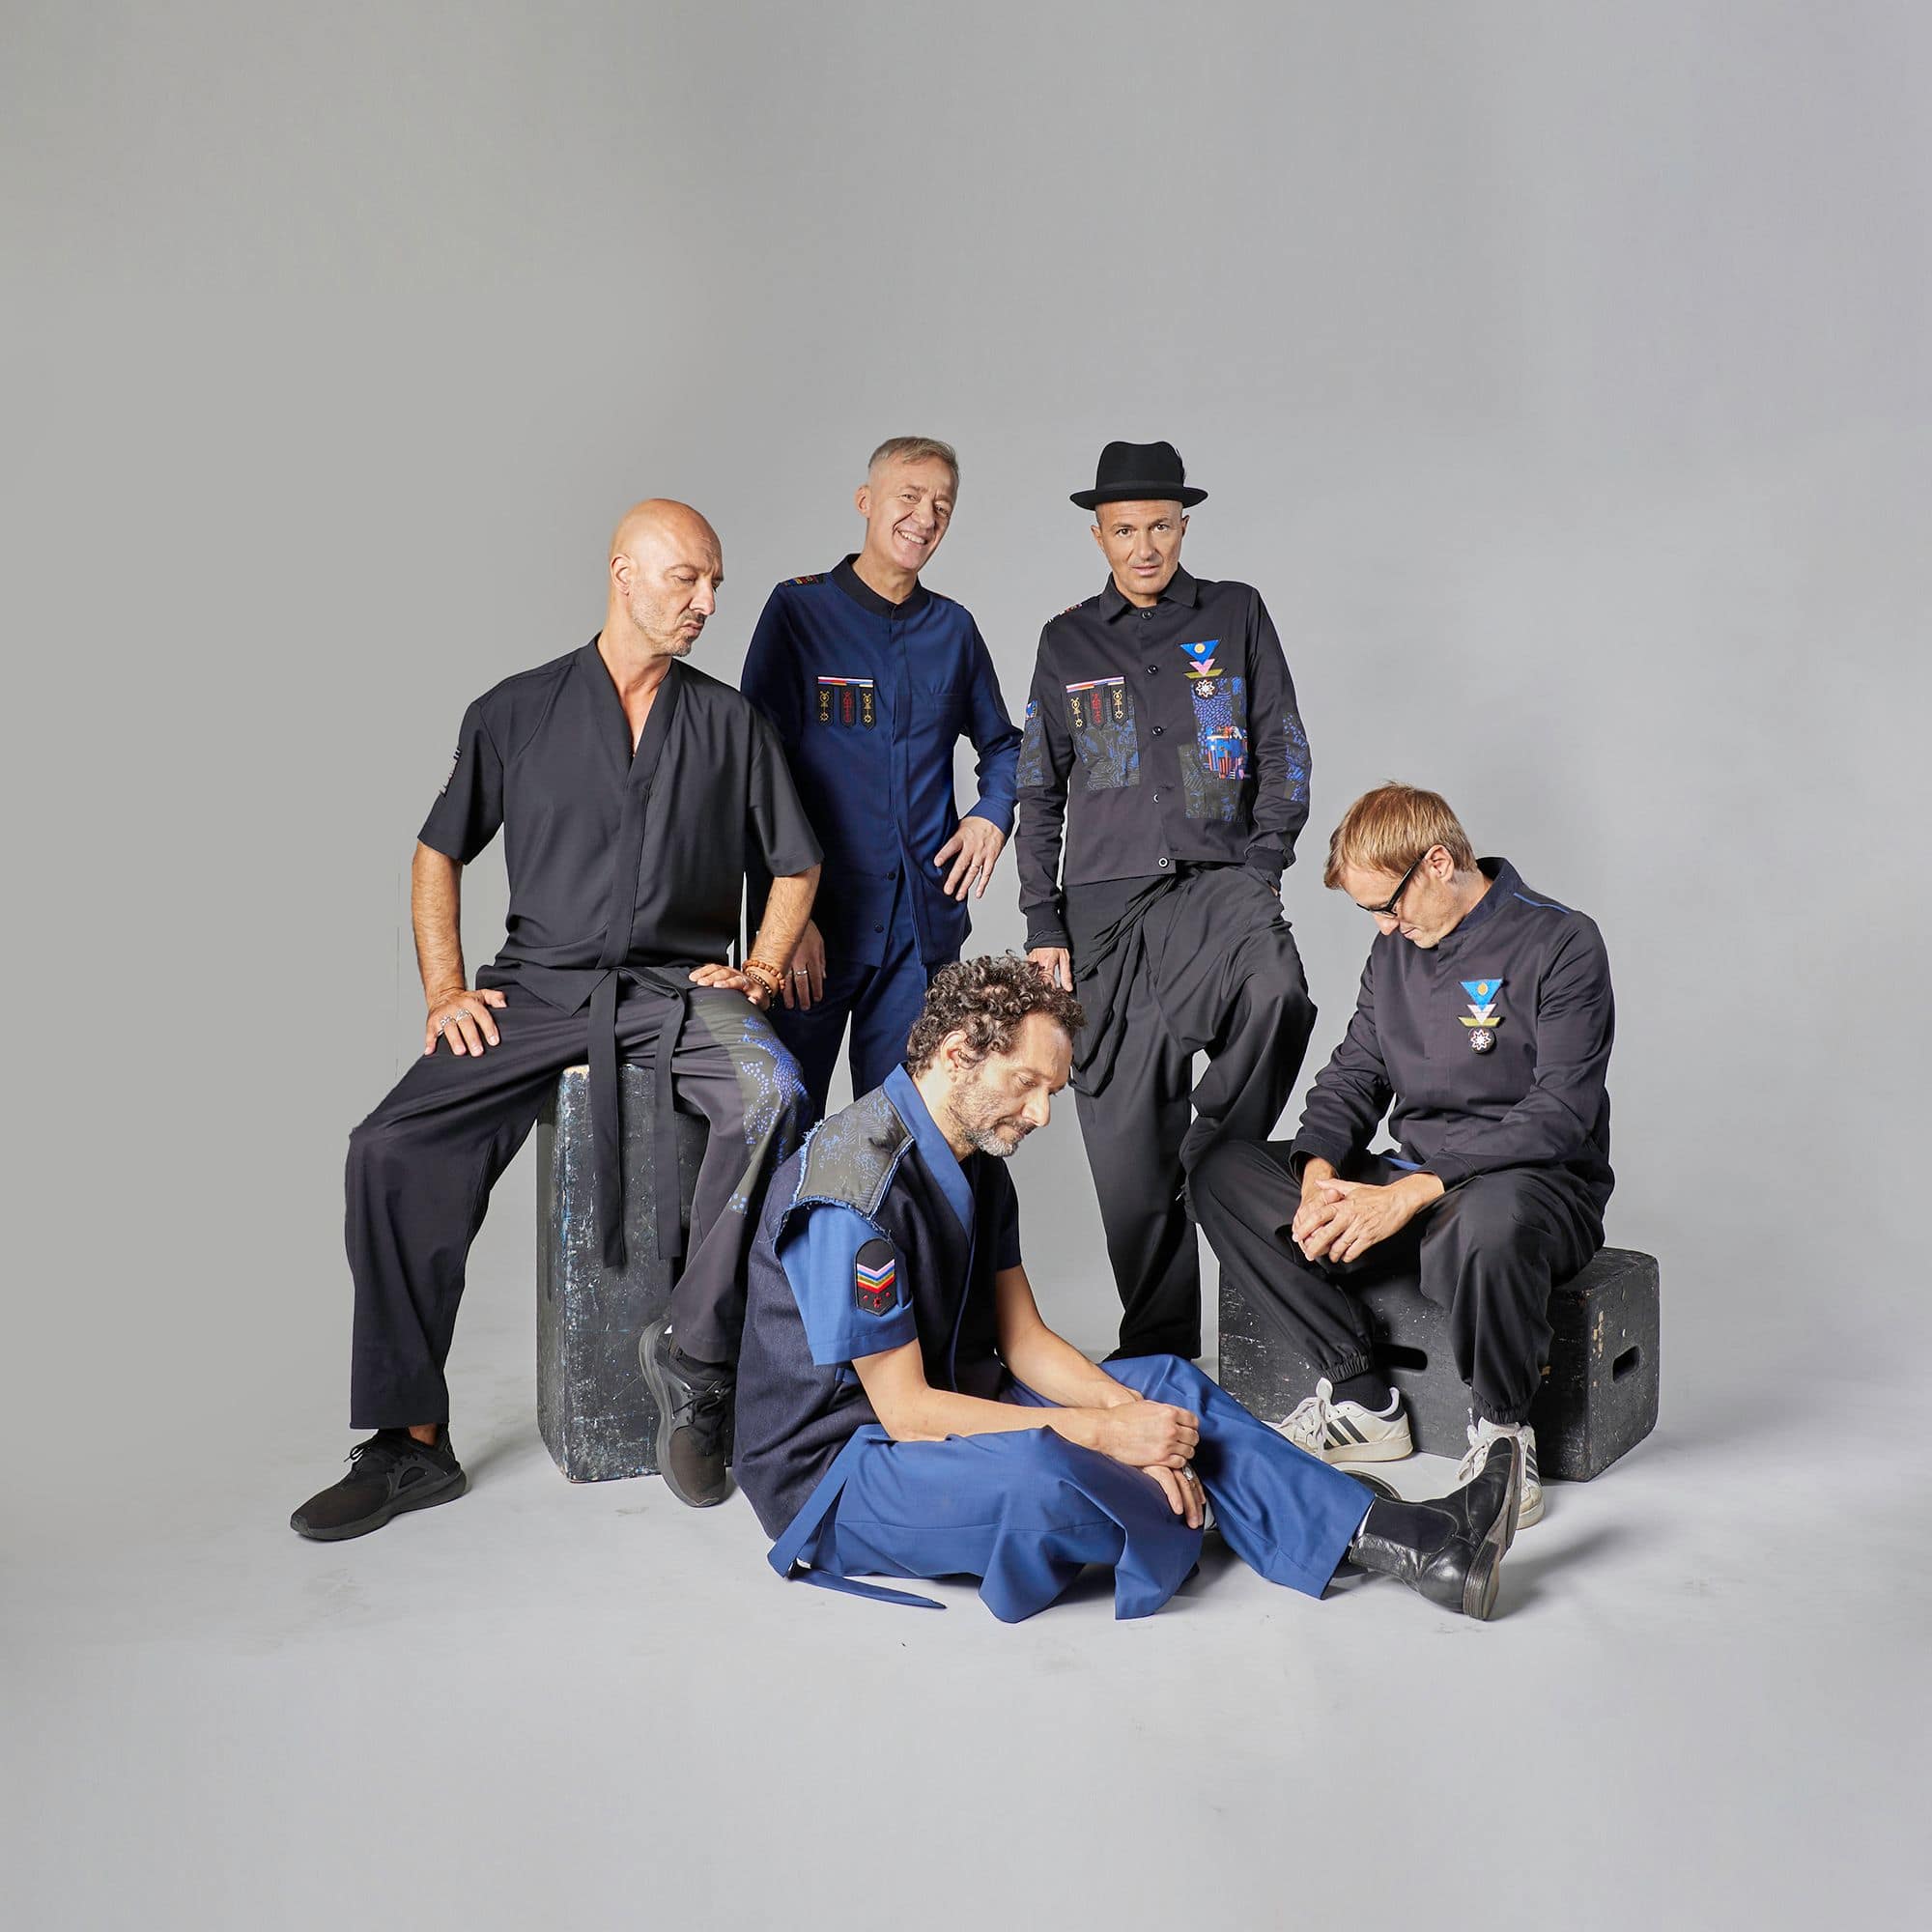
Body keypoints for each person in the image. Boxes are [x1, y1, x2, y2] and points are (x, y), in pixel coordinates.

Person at [291, 500, 823, 1540]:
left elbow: (796, 864)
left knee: (772, 1092)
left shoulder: (730, 722)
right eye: (687, 578)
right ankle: (410, 1442)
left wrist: (760, 968)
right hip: (537, 991)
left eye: (715, 582)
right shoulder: (515, 710)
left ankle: (695, 1358)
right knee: (388, 1149)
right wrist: (445, 990)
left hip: (679, 991)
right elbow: (437, 850)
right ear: (623, 573)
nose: (707, 602)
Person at [730, 956, 1526, 1624]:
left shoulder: (975, 1154)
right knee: (1047, 1475)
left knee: (1165, 1384)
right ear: (956, 1054)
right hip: (845, 1467)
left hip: (954, 1400)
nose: (1041, 1114)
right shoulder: (851, 1192)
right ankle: (1274, 1503)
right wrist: (1111, 1437)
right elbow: (906, 1413)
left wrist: (1128, 1414)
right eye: (1028, 1083)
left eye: (1052, 1092)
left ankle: (1413, 1541)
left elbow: (1024, 1341)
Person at [1190, 783, 1616, 1529]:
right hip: (1413, 1186)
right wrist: (1320, 1176)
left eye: (1387, 905)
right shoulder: (1393, 953)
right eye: (1370, 914)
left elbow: (1560, 1114)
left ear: (1439, 863)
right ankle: (1362, 1399)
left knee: (1489, 1219)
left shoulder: (1561, 941)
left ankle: (1503, 1438)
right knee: (1220, 1173)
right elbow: (1355, 1075)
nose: (1384, 926)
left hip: (1532, 1190)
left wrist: (1413, 1192)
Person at [1014, 440, 1318, 1361]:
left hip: (1219, 881)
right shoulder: (1066, 640)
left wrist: (1261, 866)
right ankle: (1160, 1351)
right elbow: (1038, 790)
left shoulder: (1235, 612)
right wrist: (1042, 923)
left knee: (1278, 994)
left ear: (1183, 526)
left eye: (1160, 527)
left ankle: (1215, 1158)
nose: (1143, 547)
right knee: (1124, 1149)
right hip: (1103, 913)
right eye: (1124, 531)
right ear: (1098, 536)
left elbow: (1283, 743)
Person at [740, 437, 1020, 1117]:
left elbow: (1005, 746)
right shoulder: (798, 612)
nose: (925, 517)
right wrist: (786, 920)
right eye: (908, 497)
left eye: (941, 505)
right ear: (866, 502)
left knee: (900, 1128)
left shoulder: (954, 630)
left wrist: (992, 812)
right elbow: (753, 768)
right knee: (782, 1119)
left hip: (918, 934)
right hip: (816, 925)